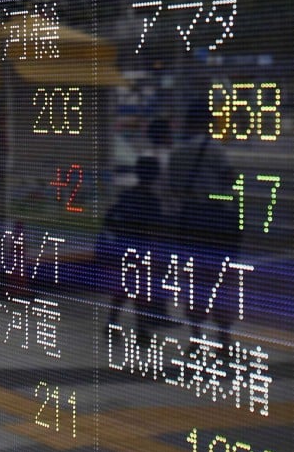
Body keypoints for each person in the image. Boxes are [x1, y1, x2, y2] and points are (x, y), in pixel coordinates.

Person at [168, 97, 240, 349]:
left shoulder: (176, 152)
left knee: (195, 279)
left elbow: (172, 187)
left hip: (190, 220)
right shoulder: (215, 149)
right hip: (216, 219)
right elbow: (229, 178)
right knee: (221, 278)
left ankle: (196, 336)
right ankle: (224, 337)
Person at [103, 155, 166, 341]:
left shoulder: (127, 195)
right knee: (141, 290)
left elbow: (111, 219)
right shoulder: (151, 200)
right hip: (142, 249)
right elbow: (156, 228)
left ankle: (113, 322)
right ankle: (141, 329)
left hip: (123, 248)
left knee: (124, 288)